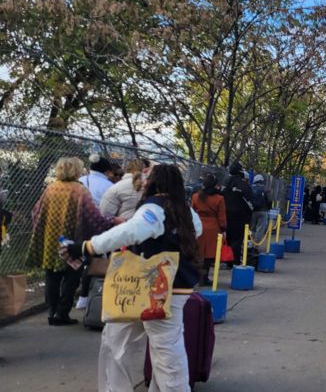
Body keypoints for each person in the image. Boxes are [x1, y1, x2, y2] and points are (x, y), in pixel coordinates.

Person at [63, 163, 203, 391]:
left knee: (121, 345)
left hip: (144, 288)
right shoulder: (185, 209)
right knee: (165, 352)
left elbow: (131, 231)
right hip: (175, 287)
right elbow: (197, 231)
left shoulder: (154, 208)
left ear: (154, 182)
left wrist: (89, 246)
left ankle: (116, 388)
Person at [27, 157, 117, 325]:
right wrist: (112, 221)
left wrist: (45, 228)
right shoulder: (79, 190)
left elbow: (36, 212)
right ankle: (62, 313)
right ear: (76, 170)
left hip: (51, 239)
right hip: (72, 240)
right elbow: (93, 216)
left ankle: (52, 312)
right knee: (72, 275)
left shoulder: (50, 188)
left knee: (52, 275)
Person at [74, 158, 150, 311]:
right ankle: (139, 300)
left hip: (121, 233)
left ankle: (115, 300)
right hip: (145, 232)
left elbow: (105, 212)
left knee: (115, 267)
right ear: (144, 170)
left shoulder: (115, 187)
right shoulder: (149, 187)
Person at [192, 174, 226, 285]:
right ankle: (204, 277)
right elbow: (221, 215)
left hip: (198, 225)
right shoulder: (219, 199)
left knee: (198, 252)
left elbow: (192, 211)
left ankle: (196, 276)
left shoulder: (196, 196)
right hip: (213, 228)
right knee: (208, 255)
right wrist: (223, 229)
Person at [222, 161, 252, 266]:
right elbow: (250, 200)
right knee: (237, 239)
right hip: (240, 216)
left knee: (227, 238)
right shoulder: (243, 184)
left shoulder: (225, 184)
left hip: (225, 215)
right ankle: (235, 261)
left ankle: (227, 260)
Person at [250, 174, 270, 245]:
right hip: (263, 211)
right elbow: (268, 201)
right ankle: (256, 245)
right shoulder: (264, 189)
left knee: (251, 228)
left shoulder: (250, 188)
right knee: (260, 229)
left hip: (252, 211)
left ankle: (249, 244)